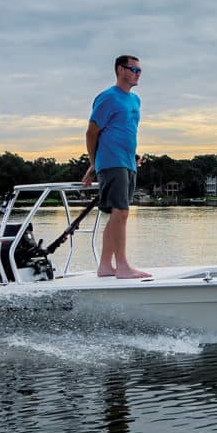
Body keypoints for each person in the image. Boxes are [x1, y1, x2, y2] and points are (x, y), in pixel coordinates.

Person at [81, 55, 151, 279]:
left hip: (128, 162)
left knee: (117, 214)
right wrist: (94, 163)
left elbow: (125, 130)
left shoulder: (135, 100)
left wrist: (134, 156)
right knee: (121, 212)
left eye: (140, 70)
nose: (138, 74)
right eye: (134, 69)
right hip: (112, 162)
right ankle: (122, 266)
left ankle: (105, 266)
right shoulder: (107, 98)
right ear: (120, 70)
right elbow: (92, 132)